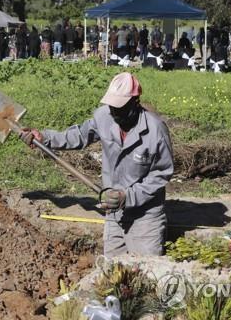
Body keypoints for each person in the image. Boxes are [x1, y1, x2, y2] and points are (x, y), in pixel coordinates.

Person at [19, 73, 173, 258]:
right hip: (114, 214)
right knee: (111, 274)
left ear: (135, 102)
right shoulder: (104, 117)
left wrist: (128, 196)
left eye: (120, 108)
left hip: (145, 217)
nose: (115, 113)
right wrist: (45, 138)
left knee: (146, 273)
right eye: (112, 107)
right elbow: (79, 135)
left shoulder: (155, 130)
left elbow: (161, 174)